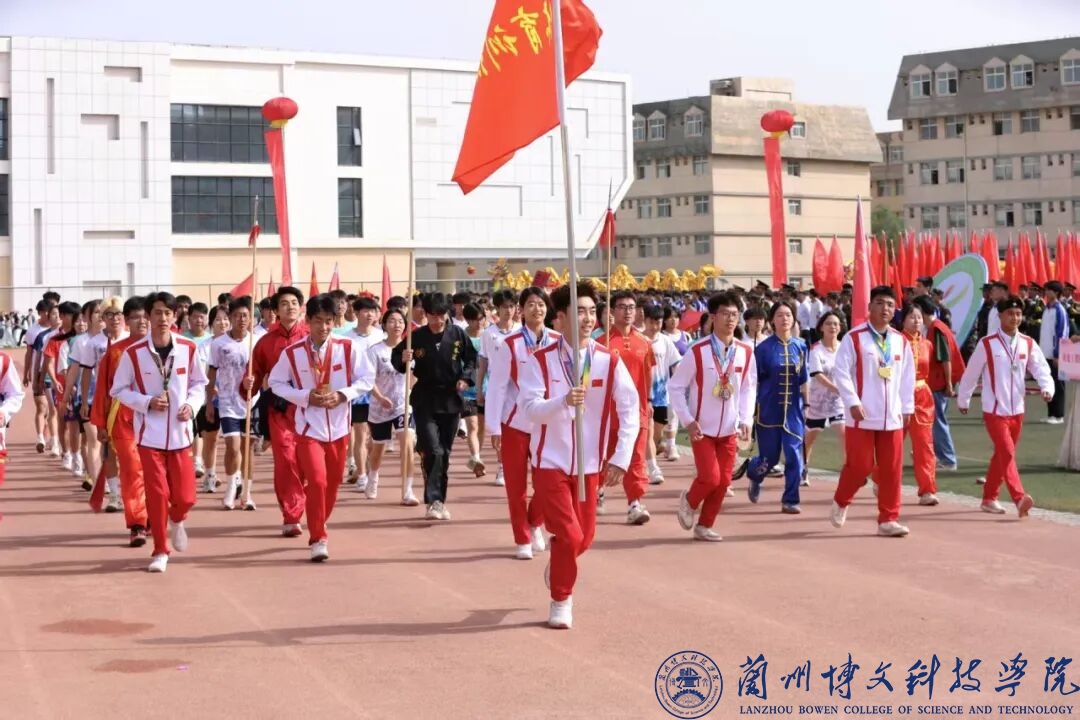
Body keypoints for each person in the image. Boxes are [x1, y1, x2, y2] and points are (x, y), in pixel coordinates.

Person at [518, 282, 639, 629]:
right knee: (570, 536)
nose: (587, 319)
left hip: (589, 464)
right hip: (550, 462)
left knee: (583, 539)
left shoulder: (607, 361)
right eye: (580, 312)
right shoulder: (540, 360)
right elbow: (529, 409)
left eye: (591, 312)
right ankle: (561, 599)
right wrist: (562, 401)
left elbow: (630, 409)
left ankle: (560, 563)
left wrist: (620, 458)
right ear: (561, 318)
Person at [269, 294, 374, 561]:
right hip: (308, 429)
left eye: (329, 321)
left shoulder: (347, 348)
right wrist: (304, 397)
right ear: (308, 321)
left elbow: (366, 378)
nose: (324, 327)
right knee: (317, 481)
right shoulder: (292, 353)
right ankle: (318, 538)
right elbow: (276, 383)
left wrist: (343, 395)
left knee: (332, 484)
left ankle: (317, 520)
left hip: (339, 429)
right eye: (318, 321)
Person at [111, 292, 208, 573]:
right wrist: (146, 402)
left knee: (186, 497)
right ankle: (160, 550)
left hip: (180, 434)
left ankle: (177, 519)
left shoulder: (188, 348)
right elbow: (118, 389)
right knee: (157, 493)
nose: (162, 318)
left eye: (167, 312)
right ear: (148, 316)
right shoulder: (133, 353)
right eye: (157, 312)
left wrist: (191, 405)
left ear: (175, 316)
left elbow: (199, 384)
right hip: (149, 435)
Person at [957, 294, 1054, 518]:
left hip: (1017, 410)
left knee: (1002, 455)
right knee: (1007, 452)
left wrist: (1047, 387)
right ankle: (1019, 498)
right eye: (1010, 313)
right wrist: (964, 398)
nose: (1015, 318)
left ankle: (989, 498)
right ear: (1000, 315)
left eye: (1018, 314)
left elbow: (1041, 368)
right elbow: (971, 373)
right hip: (994, 410)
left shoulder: (1028, 343)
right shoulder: (987, 344)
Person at [669, 292, 756, 542]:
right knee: (710, 478)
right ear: (713, 317)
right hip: (701, 429)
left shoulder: (745, 351)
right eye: (725, 314)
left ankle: (705, 525)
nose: (730, 319)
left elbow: (748, 388)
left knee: (724, 481)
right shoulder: (697, 351)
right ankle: (689, 500)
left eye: (734, 314)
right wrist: (687, 419)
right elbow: (676, 387)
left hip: (729, 429)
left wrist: (746, 419)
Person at [829, 286, 915, 538]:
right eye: (879, 303)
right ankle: (842, 500)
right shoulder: (854, 338)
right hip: (862, 415)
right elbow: (841, 372)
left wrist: (907, 406)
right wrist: (852, 401)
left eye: (890, 304)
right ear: (869, 307)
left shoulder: (900, 341)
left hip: (892, 416)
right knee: (860, 466)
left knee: (891, 470)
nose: (885, 308)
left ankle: (888, 519)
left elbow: (907, 377)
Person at [391, 292, 477, 521]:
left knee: (444, 453)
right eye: (432, 316)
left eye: (441, 315)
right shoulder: (416, 337)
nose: (437, 320)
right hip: (425, 399)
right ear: (425, 314)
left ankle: (439, 501)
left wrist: (465, 379)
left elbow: (471, 359)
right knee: (434, 450)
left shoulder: (457, 334)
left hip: (450, 399)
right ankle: (434, 501)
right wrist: (403, 358)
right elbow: (397, 359)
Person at [485, 287, 556, 559]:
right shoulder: (511, 343)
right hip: (514, 423)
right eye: (531, 305)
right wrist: (494, 427)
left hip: (547, 423)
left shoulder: (558, 341)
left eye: (541, 304)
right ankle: (522, 538)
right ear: (521, 310)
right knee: (516, 487)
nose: (537, 309)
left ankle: (535, 521)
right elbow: (497, 386)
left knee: (548, 483)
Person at [245, 286, 309, 538]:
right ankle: (292, 515)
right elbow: (253, 373)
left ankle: (304, 502)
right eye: (284, 303)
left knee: (306, 460)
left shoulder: (312, 336)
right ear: (275, 311)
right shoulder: (265, 342)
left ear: (301, 307)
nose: (290, 307)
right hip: (280, 409)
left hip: (310, 408)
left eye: (294, 302)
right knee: (285, 458)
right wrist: (248, 383)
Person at [742, 301, 809, 513]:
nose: (784, 318)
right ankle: (755, 475)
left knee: (794, 455)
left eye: (788, 314)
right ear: (772, 320)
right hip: (768, 410)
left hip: (794, 411)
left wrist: (807, 404)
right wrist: (750, 409)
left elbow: (804, 379)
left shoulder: (801, 346)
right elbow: (754, 381)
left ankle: (790, 499)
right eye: (779, 315)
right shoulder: (763, 349)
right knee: (768, 459)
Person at [91, 297, 148, 542]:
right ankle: (137, 523)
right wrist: (101, 423)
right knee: (132, 469)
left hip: (156, 419)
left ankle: (153, 514)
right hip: (123, 418)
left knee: (154, 471)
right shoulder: (115, 352)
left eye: (145, 317)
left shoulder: (163, 348)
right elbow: (103, 389)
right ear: (127, 321)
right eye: (135, 317)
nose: (141, 322)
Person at [596, 290, 654, 524]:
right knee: (603, 455)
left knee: (636, 457)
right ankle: (597, 490)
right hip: (607, 411)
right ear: (612, 311)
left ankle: (635, 503)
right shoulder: (601, 343)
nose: (628, 312)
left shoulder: (644, 343)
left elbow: (648, 374)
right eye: (622, 307)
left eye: (631, 307)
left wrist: (648, 401)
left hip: (637, 411)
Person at [207, 297, 258, 510]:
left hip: (251, 402)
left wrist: (253, 381)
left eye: (245, 315)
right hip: (227, 401)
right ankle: (231, 487)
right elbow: (211, 374)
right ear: (230, 318)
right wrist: (210, 403)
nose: (241, 319)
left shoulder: (256, 341)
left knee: (248, 448)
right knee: (233, 447)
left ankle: (247, 493)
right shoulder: (219, 344)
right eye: (236, 316)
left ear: (251, 318)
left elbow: (263, 372)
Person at [366, 308, 417, 505]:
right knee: (378, 448)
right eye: (392, 321)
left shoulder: (410, 349)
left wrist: (410, 387)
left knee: (407, 444)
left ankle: (407, 490)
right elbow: (368, 379)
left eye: (400, 321)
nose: (397, 325)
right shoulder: (376, 351)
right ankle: (373, 477)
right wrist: (380, 398)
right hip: (380, 407)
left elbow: (416, 375)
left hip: (403, 405)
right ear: (384, 325)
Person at [899, 303, 939, 506]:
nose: (916, 321)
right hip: (898, 397)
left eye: (919, 317)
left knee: (924, 445)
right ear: (903, 320)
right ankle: (881, 479)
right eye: (912, 317)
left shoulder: (927, 345)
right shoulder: (895, 342)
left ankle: (927, 490)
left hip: (922, 396)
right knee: (893, 444)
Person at [346, 295, 384, 492]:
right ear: (356, 313)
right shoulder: (347, 338)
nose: (370, 315)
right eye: (365, 311)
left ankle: (368, 469)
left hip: (380, 392)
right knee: (361, 434)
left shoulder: (381, 336)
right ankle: (361, 475)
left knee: (374, 438)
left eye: (373, 311)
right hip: (359, 393)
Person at [804, 311, 845, 485]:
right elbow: (817, 374)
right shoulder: (816, 350)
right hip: (818, 401)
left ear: (840, 327)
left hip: (838, 402)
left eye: (836, 324)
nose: (832, 327)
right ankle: (803, 468)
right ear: (821, 327)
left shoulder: (844, 348)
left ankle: (849, 471)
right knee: (810, 438)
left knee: (844, 433)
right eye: (828, 323)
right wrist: (836, 388)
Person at [1039, 281, 1069, 424]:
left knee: (1058, 384)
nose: (1046, 292)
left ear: (1056, 293)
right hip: (1044, 353)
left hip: (1055, 354)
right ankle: (1051, 413)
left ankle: (1059, 415)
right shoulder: (1046, 309)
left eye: (1049, 290)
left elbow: (1061, 333)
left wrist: (1058, 354)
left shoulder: (1059, 310)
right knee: (1048, 383)